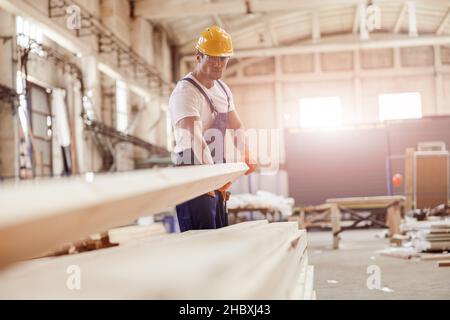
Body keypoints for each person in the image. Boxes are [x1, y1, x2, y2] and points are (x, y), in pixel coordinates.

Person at [168, 25, 256, 232]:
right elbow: (194, 137)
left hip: (214, 168)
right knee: (200, 240)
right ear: (198, 56)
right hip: (192, 170)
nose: (219, 64)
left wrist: (246, 152)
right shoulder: (186, 92)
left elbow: (236, 126)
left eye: (223, 58)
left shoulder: (224, 90)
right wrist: (212, 177)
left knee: (219, 234)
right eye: (212, 57)